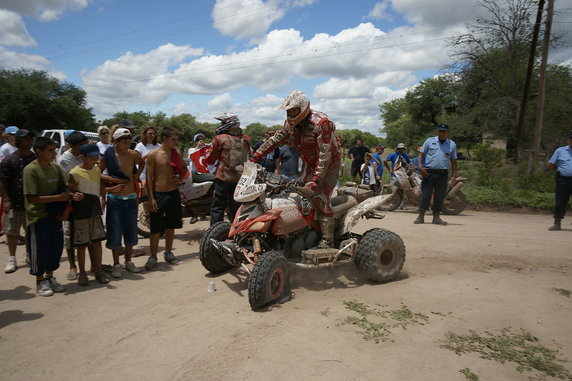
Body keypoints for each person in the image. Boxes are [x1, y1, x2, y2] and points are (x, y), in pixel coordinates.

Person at [251, 90, 341, 248]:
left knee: (320, 197)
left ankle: (327, 240)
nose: (291, 114)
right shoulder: (289, 125)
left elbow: (325, 155)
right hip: (310, 164)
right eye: (288, 111)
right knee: (296, 194)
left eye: (294, 111)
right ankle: (303, 230)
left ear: (304, 108)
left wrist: (316, 180)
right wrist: (254, 157)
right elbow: (274, 141)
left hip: (330, 164)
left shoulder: (321, 123)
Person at [23, 137, 76, 296]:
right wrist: (58, 198)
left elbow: (66, 189)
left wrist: (66, 208)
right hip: (38, 217)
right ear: (38, 151)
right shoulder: (30, 170)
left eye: (55, 150)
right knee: (39, 249)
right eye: (50, 150)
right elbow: (32, 198)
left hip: (56, 215)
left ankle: (50, 276)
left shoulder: (55, 167)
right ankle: (40, 280)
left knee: (55, 248)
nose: (54, 153)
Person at [99, 128, 145, 277]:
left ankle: (128, 261)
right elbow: (98, 172)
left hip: (130, 199)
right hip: (115, 200)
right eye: (124, 142)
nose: (127, 145)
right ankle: (116, 264)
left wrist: (136, 176)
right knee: (115, 232)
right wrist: (113, 181)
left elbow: (142, 163)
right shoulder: (109, 155)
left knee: (131, 232)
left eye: (128, 142)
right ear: (116, 142)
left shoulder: (132, 154)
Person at [67, 144, 111, 286]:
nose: (95, 160)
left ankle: (98, 270)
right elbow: (70, 192)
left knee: (97, 243)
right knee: (81, 245)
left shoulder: (97, 170)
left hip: (95, 211)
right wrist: (74, 195)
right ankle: (83, 273)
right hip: (80, 213)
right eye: (91, 158)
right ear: (82, 157)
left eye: (96, 157)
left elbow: (99, 188)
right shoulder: (74, 173)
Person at [145, 127, 188, 269]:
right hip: (158, 194)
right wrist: (151, 198)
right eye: (173, 139)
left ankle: (168, 253)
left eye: (176, 139)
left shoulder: (176, 154)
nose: (176, 142)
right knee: (155, 228)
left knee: (171, 226)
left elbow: (184, 169)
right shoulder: (153, 154)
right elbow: (149, 178)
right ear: (165, 139)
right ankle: (153, 256)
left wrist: (180, 179)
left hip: (173, 193)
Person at [0, 130, 36, 273]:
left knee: (30, 230)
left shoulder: (35, 159)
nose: (29, 142)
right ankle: (12, 258)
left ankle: (29, 255)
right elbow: (2, 181)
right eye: (26, 139)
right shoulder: (9, 160)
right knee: (12, 231)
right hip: (14, 202)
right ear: (19, 141)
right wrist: (6, 199)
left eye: (30, 139)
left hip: (31, 202)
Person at [206, 113, 251, 226]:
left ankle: (214, 233)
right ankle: (236, 232)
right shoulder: (246, 139)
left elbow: (210, 160)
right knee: (236, 206)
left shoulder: (219, 139)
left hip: (223, 177)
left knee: (218, 206)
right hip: (240, 179)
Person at [57, 131, 89, 281]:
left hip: (87, 199)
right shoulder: (64, 161)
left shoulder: (87, 155)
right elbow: (63, 185)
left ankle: (94, 264)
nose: (84, 148)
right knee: (69, 235)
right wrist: (71, 196)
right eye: (81, 146)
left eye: (85, 145)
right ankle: (72, 265)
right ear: (71, 146)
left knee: (89, 235)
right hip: (71, 201)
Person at [414, 124, 458, 225]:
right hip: (428, 173)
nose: (442, 133)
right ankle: (421, 216)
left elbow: (454, 161)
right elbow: (421, 154)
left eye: (444, 131)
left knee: (439, 196)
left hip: (443, 174)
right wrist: (420, 167)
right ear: (437, 132)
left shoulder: (452, 144)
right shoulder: (429, 141)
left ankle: (436, 218)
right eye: (440, 131)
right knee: (426, 195)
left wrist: (454, 174)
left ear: (447, 132)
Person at [547, 131, 572, 231]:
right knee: (560, 202)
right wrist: (560, 171)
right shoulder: (560, 151)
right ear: (568, 140)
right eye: (571, 139)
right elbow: (551, 164)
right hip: (563, 180)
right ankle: (557, 223)